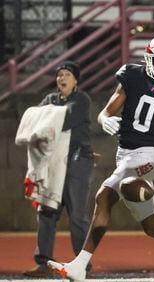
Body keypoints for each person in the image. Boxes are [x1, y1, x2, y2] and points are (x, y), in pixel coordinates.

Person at [46, 35, 154, 282]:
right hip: (125, 156)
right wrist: (105, 120)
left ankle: (79, 265)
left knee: (104, 196)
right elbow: (106, 111)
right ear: (149, 59)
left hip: (148, 155)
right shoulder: (132, 76)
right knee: (152, 227)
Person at [23, 61, 94, 278]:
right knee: (46, 211)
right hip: (53, 163)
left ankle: (82, 265)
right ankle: (43, 263)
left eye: (67, 74)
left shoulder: (81, 99)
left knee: (77, 215)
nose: (62, 78)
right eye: (59, 74)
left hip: (77, 161)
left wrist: (46, 116)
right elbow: (35, 118)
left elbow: (63, 120)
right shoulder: (51, 100)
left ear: (76, 80)